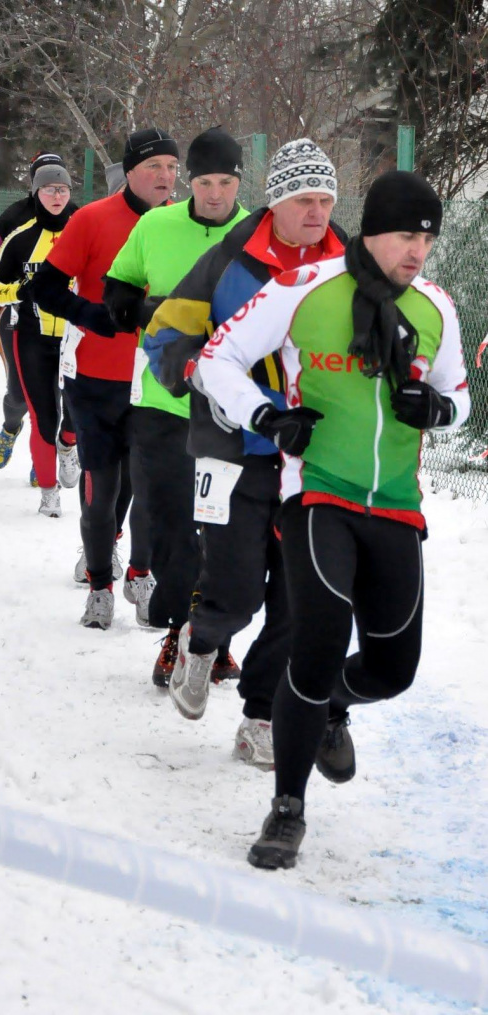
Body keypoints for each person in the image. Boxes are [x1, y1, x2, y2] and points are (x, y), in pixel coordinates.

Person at [197, 169, 470, 868]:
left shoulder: (437, 305)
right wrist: (266, 414)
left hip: (397, 507)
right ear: (374, 231)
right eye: (408, 236)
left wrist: (439, 411)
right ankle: (287, 806)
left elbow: (459, 395)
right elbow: (215, 358)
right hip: (317, 491)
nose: (419, 251)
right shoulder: (302, 289)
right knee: (314, 643)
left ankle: (329, 708)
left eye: (428, 239)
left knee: (392, 667)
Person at [143, 138, 346, 768]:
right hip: (233, 445)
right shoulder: (234, 258)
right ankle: (201, 642)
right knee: (235, 587)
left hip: (314, 453)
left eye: (326, 199)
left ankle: (261, 716)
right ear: (276, 202)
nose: (317, 212)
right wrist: (206, 376)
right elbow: (165, 334)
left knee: (297, 597)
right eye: (303, 199)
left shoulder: (349, 261)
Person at [104, 127, 250, 688]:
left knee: (226, 530)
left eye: (227, 181)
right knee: (171, 524)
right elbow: (116, 293)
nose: (215, 192)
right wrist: (155, 313)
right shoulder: (155, 225)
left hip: (232, 409)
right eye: (206, 181)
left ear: (240, 182)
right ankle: (179, 631)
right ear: (190, 183)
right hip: (165, 401)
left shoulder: (257, 233)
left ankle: (204, 640)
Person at [32, 128, 179, 629]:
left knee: (147, 487)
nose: (165, 176)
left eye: (171, 167)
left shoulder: (184, 226)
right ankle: (99, 584)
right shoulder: (93, 218)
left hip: (158, 382)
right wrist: (92, 317)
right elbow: (44, 287)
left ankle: (140, 573)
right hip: (95, 378)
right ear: (129, 171)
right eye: (153, 166)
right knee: (102, 489)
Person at [0, 163, 80, 517]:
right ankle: (48, 489)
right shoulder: (20, 236)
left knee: (77, 409)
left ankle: (68, 446)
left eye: (63, 189)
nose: (57, 196)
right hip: (31, 336)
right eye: (49, 189)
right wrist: (20, 291)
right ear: (37, 193)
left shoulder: (84, 230)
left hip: (76, 337)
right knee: (41, 412)